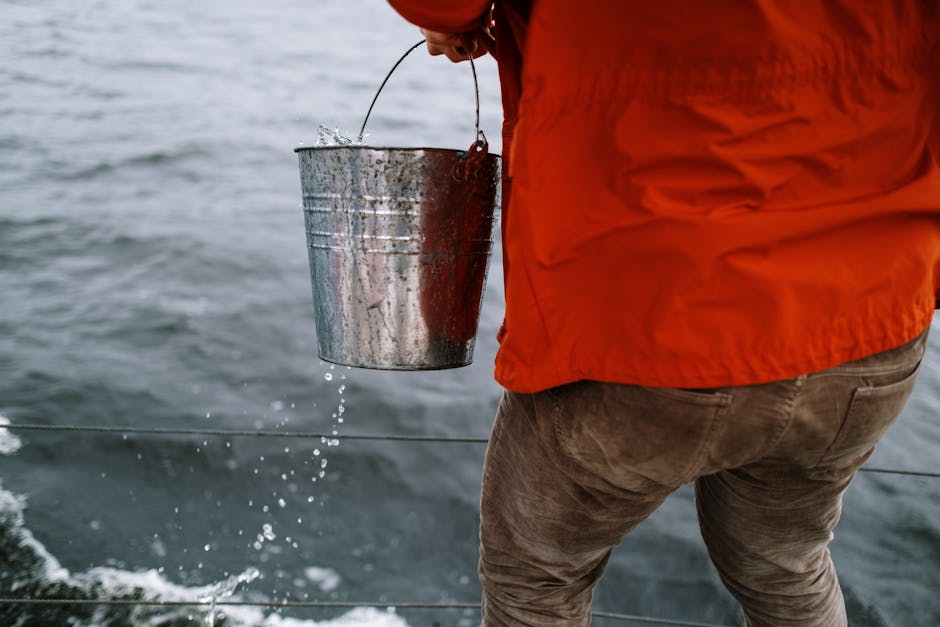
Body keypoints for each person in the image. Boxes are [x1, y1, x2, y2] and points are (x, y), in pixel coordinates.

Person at [387, 1, 940, 625]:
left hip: (644, 316)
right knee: (785, 564)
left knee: (534, 580)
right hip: (868, 316)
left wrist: (452, 21)